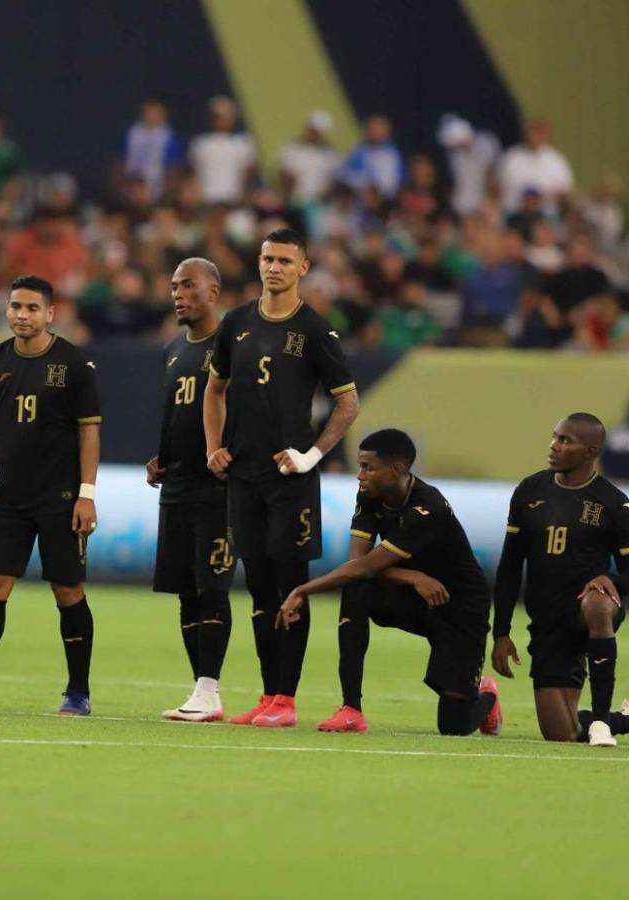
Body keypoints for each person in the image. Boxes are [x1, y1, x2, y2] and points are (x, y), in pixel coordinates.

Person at [203, 227, 359, 727]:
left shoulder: (315, 330)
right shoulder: (236, 322)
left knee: (292, 586)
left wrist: (312, 456)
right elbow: (215, 389)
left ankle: (287, 701)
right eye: (268, 259)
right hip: (243, 476)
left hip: (289, 479)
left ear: (303, 268)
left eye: (285, 261)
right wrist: (214, 447)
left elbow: (348, 401)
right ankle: (268, 696)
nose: (274, 268)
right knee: (258, 587)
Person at [0, 275, 100, 715]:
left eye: (31, 308)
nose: (21, 316)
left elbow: (90, 434)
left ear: (50, 313)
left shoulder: (74, 365)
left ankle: (78, 693)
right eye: (15, 307)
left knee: (68, 590)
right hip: (9, 496)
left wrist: (86, 494)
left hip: (61, 498)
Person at [278, 429, 501, 737]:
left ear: (396, 470)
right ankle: (351, 709)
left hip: (459, 607)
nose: (360, 475)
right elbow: (359, 564)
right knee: (356, 588)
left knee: (454, 725)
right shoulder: (370, 495)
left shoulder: (428, 508)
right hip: (413, 595)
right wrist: (413, 577)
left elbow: (367, 565)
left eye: (368, 467)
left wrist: (302, 590)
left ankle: (487, 695)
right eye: (360, 466)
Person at [492, 414, 629, 747]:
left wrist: (608, 578)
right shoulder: (529, 491)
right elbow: (510, 565)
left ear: (591, 451)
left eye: (566, 440)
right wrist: (501, 632)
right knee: (561, 733)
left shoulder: (613, 503)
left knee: (597, 602)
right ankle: (621, 719)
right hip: (548, 619)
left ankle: (600, 721)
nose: (554, 446)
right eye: (555, 437)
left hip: (590, 609)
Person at [148, 259, 235, 722]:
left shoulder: (234, 345)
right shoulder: (174, 348)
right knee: (185, 590)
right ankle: (200, 691)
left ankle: (210, 688)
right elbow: (176, 412)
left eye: (188, 286)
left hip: (217, 489)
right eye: (174, 286)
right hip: (177, 483)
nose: (178, 294)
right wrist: (161, 456)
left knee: (211, 587)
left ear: (214, 291)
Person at [188, 96, 256, 207]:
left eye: (224, 117)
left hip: (233, 200)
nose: (220, 120)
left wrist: (244, 196)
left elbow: (248, 174)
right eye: (216, 117)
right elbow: (193, 172)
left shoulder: (243, 144)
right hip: (206, 200)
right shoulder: (199, 143)